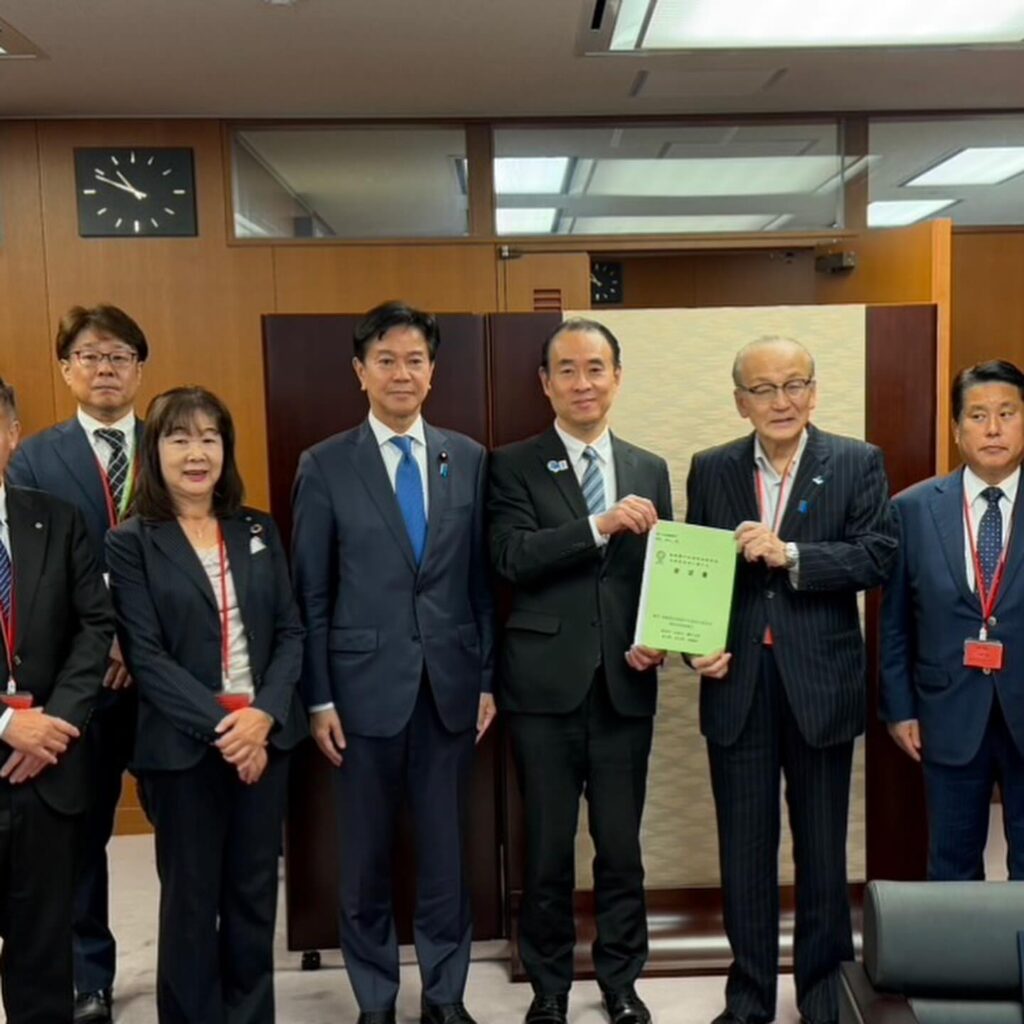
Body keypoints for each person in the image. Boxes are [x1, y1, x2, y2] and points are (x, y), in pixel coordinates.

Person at [291, 301, 495, 1024]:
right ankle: (375, 1001)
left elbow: (480, 582)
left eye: (415, 360)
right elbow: (310, 593)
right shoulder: (324, 464)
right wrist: (318, 698)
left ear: (433, 373)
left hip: (449, 689)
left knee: (448, 863)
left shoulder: (466, 457)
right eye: (386, 360)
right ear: (360, 372)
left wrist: (487, 678)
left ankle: (445, 997)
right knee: (365, 865)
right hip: (357, 696)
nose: (401, 373)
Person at [685, 336, 898, 1024]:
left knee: (822, 847)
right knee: (744, 848)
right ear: (739, 399)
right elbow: (698, 570)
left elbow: (877, 556)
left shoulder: (857, 462)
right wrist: (695, 649)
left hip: (820, 682)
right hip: (738, 683)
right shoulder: (711, 468)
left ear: (814, 390)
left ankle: (821, 991)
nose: (781, 401)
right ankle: (747, 997)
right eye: (763, 389)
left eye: (794, 384)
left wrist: (793, 554)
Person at [488, 318, 672, 1024]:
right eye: (567, 369)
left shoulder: (650, 467)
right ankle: (550, 988)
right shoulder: (511, 463)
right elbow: (510, 557)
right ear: (545, 383)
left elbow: (666, 573)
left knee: (623, 849)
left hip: (626, 683)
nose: (583, 382)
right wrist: (597, 525)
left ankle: (622, 982)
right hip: (543, 686)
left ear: (617, 378)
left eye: (596, 368)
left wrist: (659, 637)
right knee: (548, 852)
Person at [106, 386, 307, 1024]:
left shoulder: (257, 527)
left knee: (253, 900)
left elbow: (291, 633)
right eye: (179, 438)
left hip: (264, 736)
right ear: (154, 449)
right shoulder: (132, 541)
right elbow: (147, 656)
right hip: (185, 748)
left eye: (209, 438)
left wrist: (263, 717)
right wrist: (230, 730)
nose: (197, 453)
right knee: (191, 905)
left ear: (226, 448)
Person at [7, 303, 146, 1024]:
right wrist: (100, 653)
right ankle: (90, 975)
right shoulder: (35, 456)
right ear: (66, 369)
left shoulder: (174, 441)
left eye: (119, 355)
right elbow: (38, 584)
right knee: (81, 838)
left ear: (139, 369)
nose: (104, 368)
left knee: (182, 830)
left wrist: (132, 641)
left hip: (157, 677)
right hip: (76, 683)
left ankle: (193, 956)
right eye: (89, 356)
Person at [881, 359, 1024, 880]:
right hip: (946, 711)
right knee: (952, 864)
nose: (993, 428)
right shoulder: (913, 509)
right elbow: (895, 621)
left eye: (1007, 413)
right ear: (957, 429)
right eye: (979, 415)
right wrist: (899, 708)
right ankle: (962, 965)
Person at [0, 376, 114, 1024]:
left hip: (49, 769)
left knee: (43, 954)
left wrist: (57, 722)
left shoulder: (55, 517)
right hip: (11, 747)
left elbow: (93, 625)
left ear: (14, 434)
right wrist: (4, 724)